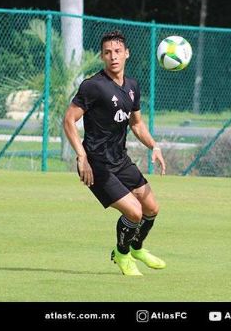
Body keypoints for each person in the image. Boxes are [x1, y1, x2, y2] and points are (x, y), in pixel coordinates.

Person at [63, 30, 167, 277]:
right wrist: (81, 156)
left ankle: (137, 248)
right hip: (97, 165)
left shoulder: (132, 86)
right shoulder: (93, 86)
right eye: (108, 53)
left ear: (126, 54)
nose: (113, 57)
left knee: (152, 208)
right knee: (134, 212)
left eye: (118, 52)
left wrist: (154, 146)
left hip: (120, 160)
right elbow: (69, 120)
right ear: (102, 56)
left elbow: (137, 124)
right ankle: (122, 254)